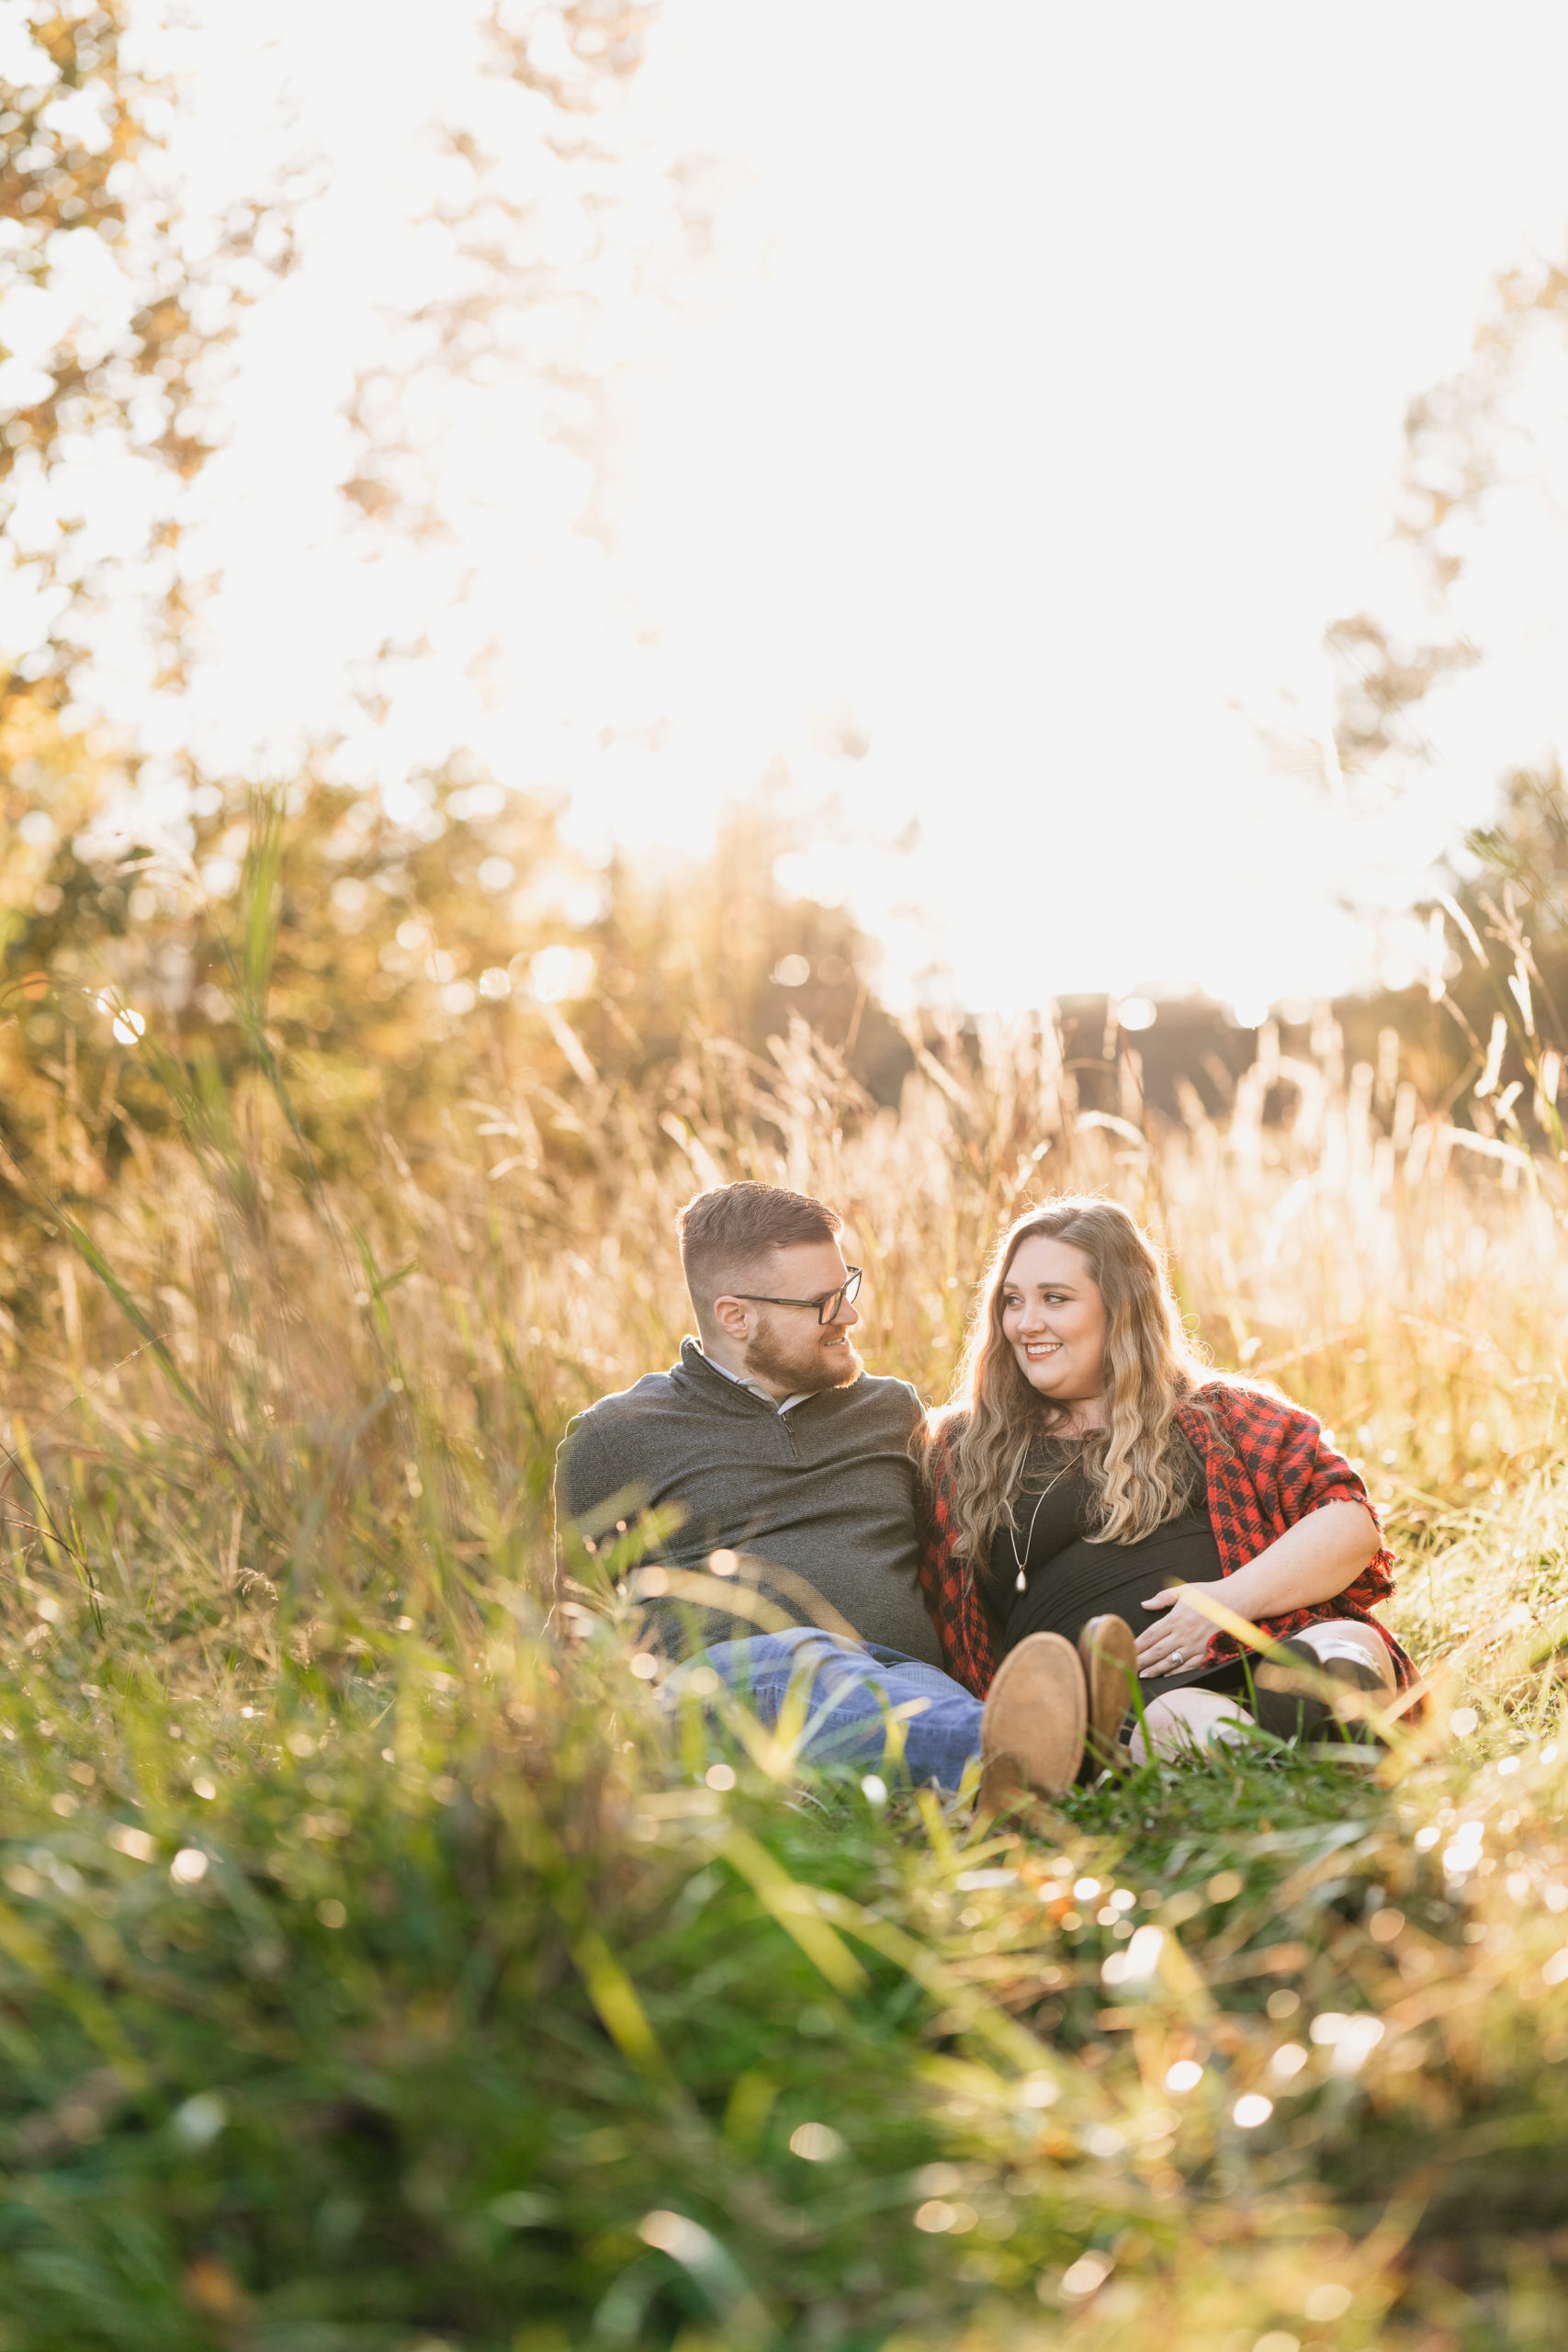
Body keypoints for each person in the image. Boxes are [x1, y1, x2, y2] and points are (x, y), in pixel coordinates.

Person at [556, 1181, 1095, 1803]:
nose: (849, 1316)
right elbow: (580, 1625)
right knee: (809, 1659)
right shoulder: (615, 1435)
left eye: (848, 1287)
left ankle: (1010, 1776)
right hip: (725, 1688)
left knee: (917, 1704)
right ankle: (1068, 1750)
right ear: (735, 1316)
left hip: (900, 1677)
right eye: (823, 1302)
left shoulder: (891, 1410)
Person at [919, 1195, 1417, 1758]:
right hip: (1120, 1698)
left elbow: (1349, 1523)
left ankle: (1329, 1733)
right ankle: (1297, 1763)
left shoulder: (1218, 1414)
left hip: (1264, 1637)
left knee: (1344, 1643)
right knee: (1182, 1719)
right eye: (1012, 1301)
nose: (1026, 1323)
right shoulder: (969, 1447)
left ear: (1121, 1307)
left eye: (1055, 1299)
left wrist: (1224, 1603)